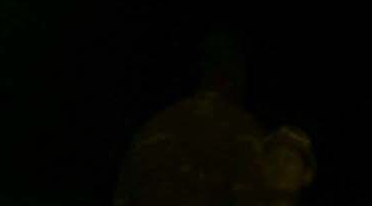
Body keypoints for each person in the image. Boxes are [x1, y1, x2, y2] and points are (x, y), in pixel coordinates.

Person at [119, 34, 314, 206]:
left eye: (289, 160)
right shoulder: (242, 132)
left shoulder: (153, 129)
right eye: (275, 160)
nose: (280, 167)